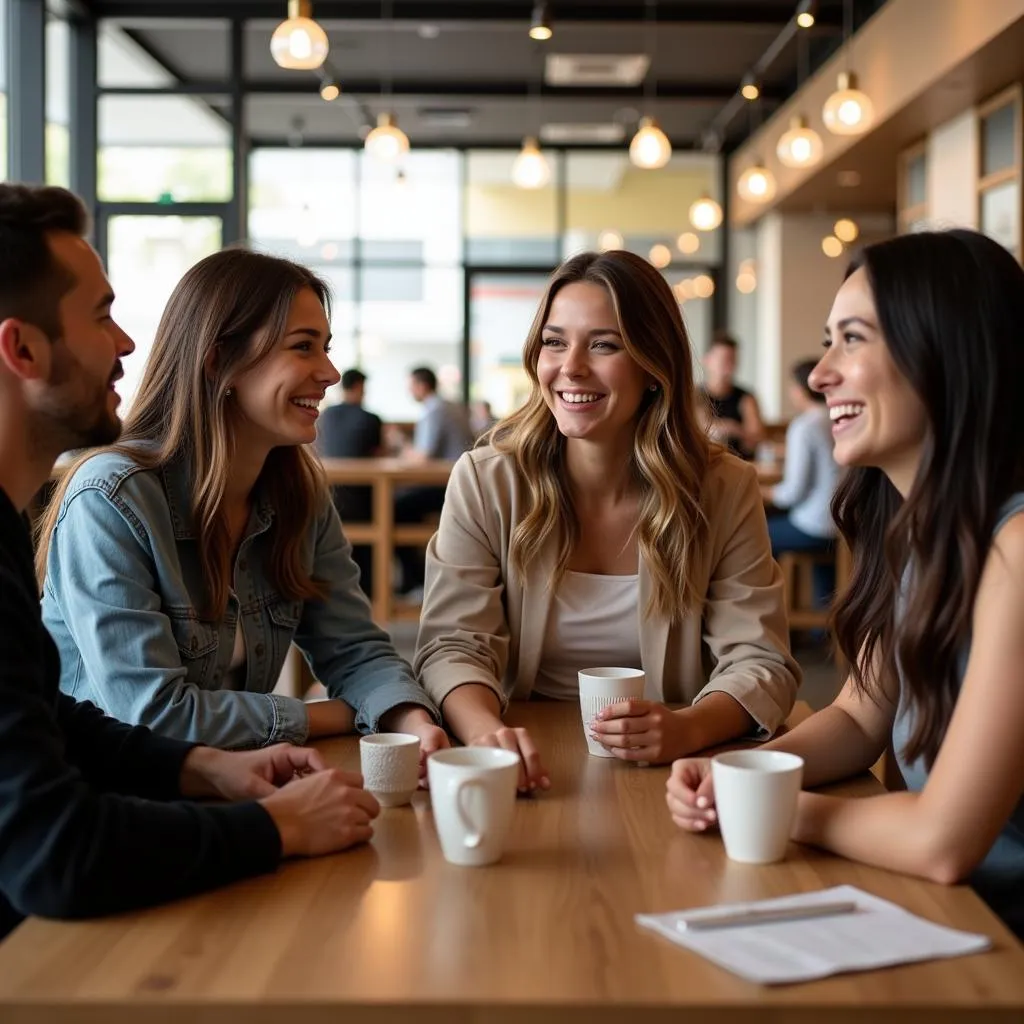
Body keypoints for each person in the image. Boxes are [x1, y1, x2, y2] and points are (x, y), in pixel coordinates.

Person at [0, 183, 381, 941]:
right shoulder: (109, 497)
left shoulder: (4, 529)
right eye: (102, 315)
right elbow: (55, 848)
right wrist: (276, 826)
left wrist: (206, 770)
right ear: (22, 349)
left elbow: (50, 715)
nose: (129, 345)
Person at [666, 229, 1024, 939]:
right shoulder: (913, 527)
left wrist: (772, 805)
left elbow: (942, 842)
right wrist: (748, 770)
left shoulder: (1016, 547)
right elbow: (862, 718)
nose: (821, 375)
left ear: (945, 355)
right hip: (942, 912)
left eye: (851, 340)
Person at [37, 247, 447, 760]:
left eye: (326, 347)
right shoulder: (112, 499)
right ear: (219, 361)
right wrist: (332, 714)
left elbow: (356, 650)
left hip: (235, 781)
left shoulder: (299, 496)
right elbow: (147, 715)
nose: (331, 373)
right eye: (303, 347)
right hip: (108, 799)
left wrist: (408, 719)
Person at [415, 250, 800, 790]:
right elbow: (452, 645)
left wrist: (689, 728)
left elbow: (761, 659)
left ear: (653, 365)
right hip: (522, 756)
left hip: (672, 767)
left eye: (604, 344)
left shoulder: (722, 487)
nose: (570, 367)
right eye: (554, 342)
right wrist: (484, 735)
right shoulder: (487, 480)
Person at [762, 358, 840, 608]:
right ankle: (820, 631)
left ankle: (776, 622)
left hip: (816, 526)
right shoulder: (836, 419)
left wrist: (761, 491)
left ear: (799, 389)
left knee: (755, 536)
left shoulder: (805, 426)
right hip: (842, 524)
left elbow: (791, 494)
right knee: (821, 557)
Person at [394, 365, 474, 596]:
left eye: (411, 386)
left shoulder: (434, 410)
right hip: (463, 482)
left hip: (447, 485)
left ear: (421, 385)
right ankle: (419, 578)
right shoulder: (450, 406)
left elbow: (422, 456)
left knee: (394, 508)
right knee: (405, 506)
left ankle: (416, 582)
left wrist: (400, 444)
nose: (410, 391)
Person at [315, 367, 383, 597]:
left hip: (328, 494)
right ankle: (371, 590)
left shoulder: (324, 416)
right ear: (359, 388)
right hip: (363, 498)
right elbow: (378, 455)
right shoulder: (371, 419)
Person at [699, 332, 765, 460]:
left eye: (733, 360)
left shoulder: (746, 398)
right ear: (707, 360)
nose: (729, 366)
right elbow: (697, 431)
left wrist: (733, 429)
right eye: (723, 360)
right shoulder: (694, 396)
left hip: (741, 463)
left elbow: (757, 440)